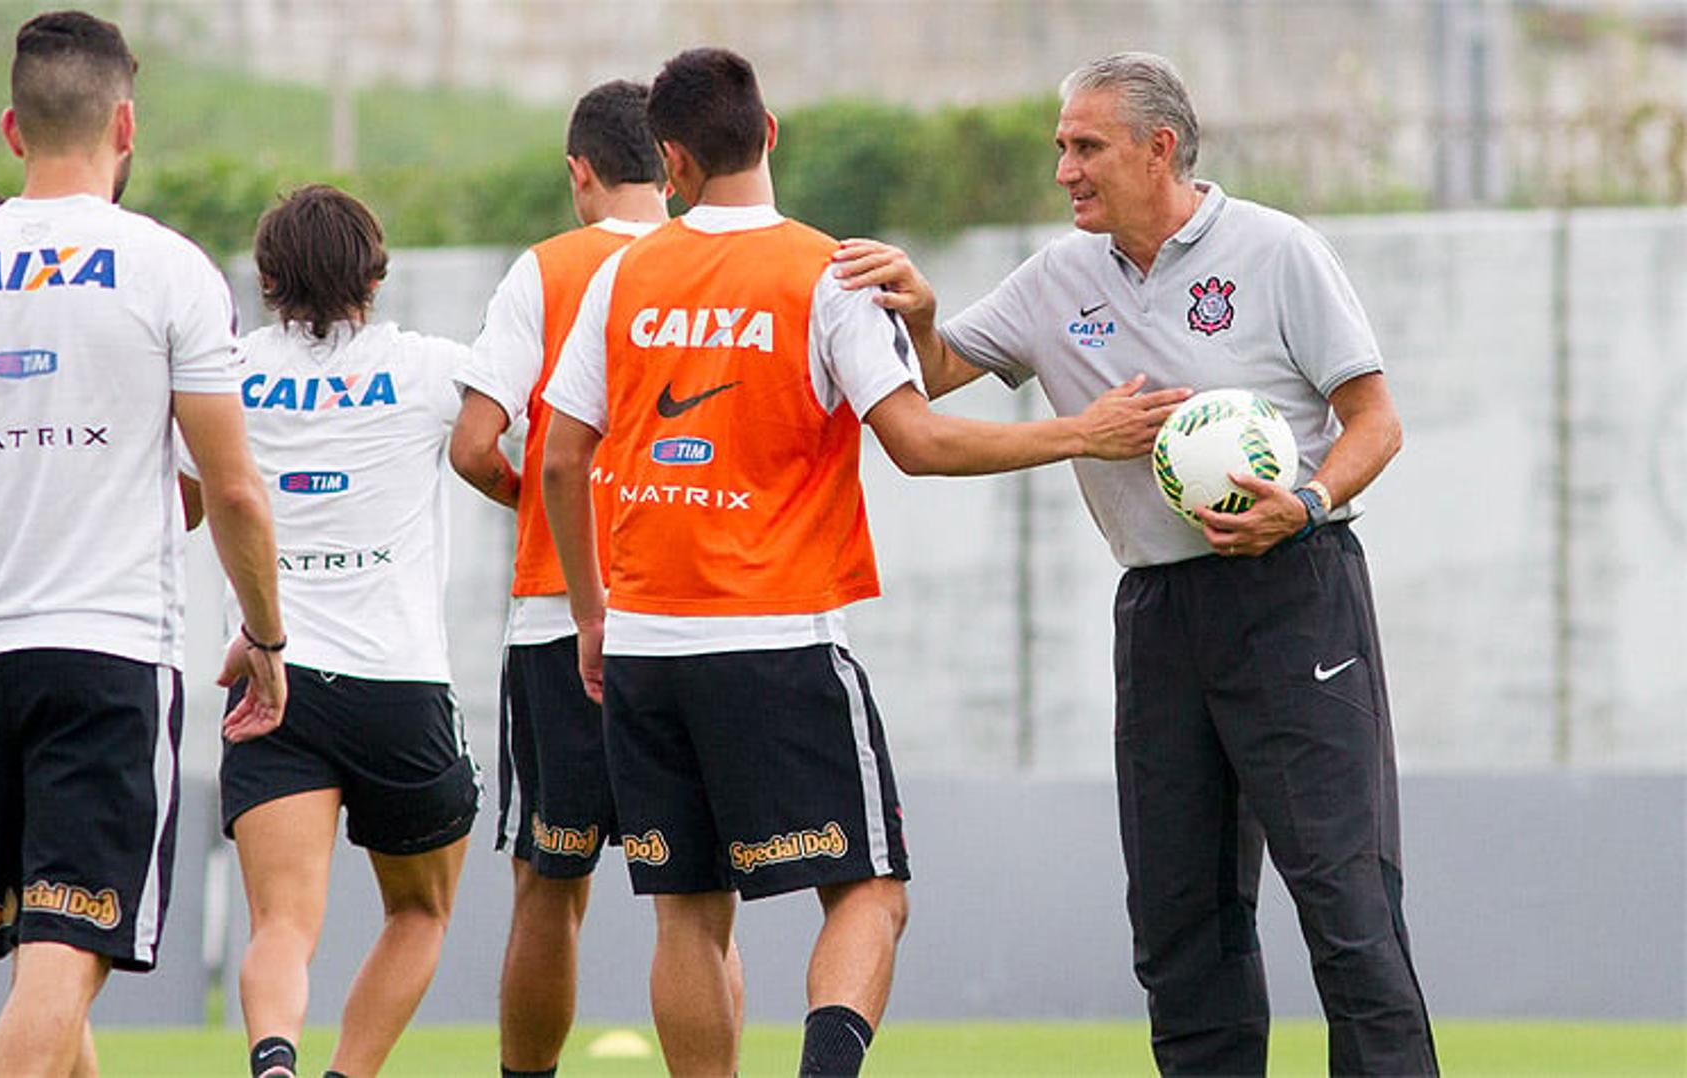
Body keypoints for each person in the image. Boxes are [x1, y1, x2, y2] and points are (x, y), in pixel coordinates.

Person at [540, 47, 1188, 1077]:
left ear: (671, 160)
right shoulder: (827, 272)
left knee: (688, 917)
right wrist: (1085, 431)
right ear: (771, 136)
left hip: (647, 646)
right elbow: (919, 443)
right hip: (776, 639)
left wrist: (590, 614)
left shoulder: (623, 274)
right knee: (871, 891)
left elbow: (563, 458)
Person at [834, 51, 1435, 1078]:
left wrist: (1308, 504)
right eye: (1061, 146)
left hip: (1297, 595)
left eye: (1086, 146)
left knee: (1347, 906)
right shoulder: (1056, 275)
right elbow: (930, 380)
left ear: (1159, 148)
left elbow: (1375, 420)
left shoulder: (1276, 250)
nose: (1064, 168)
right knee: (1177, 920)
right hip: (1158, 612)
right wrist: (924, 315)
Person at [0, 12, 286, 1075]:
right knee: (63, 955)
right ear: (126, 123)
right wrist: (267, 634)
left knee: (47, 954)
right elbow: (230, 487)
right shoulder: (169, 268)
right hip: (109, 653)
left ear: (11, 128)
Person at [450, 78, 746, 1078]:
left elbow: (475, 443)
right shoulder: (722, 264)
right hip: (703, 614)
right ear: (670, 159)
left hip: (557, 619)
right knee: (697, 903)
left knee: (549, 882)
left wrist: (546, 506)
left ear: (581, 171)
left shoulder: (546, 270)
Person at [188, 184, 480, 1078]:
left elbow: (189, 504)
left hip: (275, 681)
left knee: (281, 925)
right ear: (377, 273)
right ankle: (346, 1075)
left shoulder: (225, 374)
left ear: (267, 278)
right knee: (420, 915)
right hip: (401, 685)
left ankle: (274, 1059)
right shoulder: (435, 368)